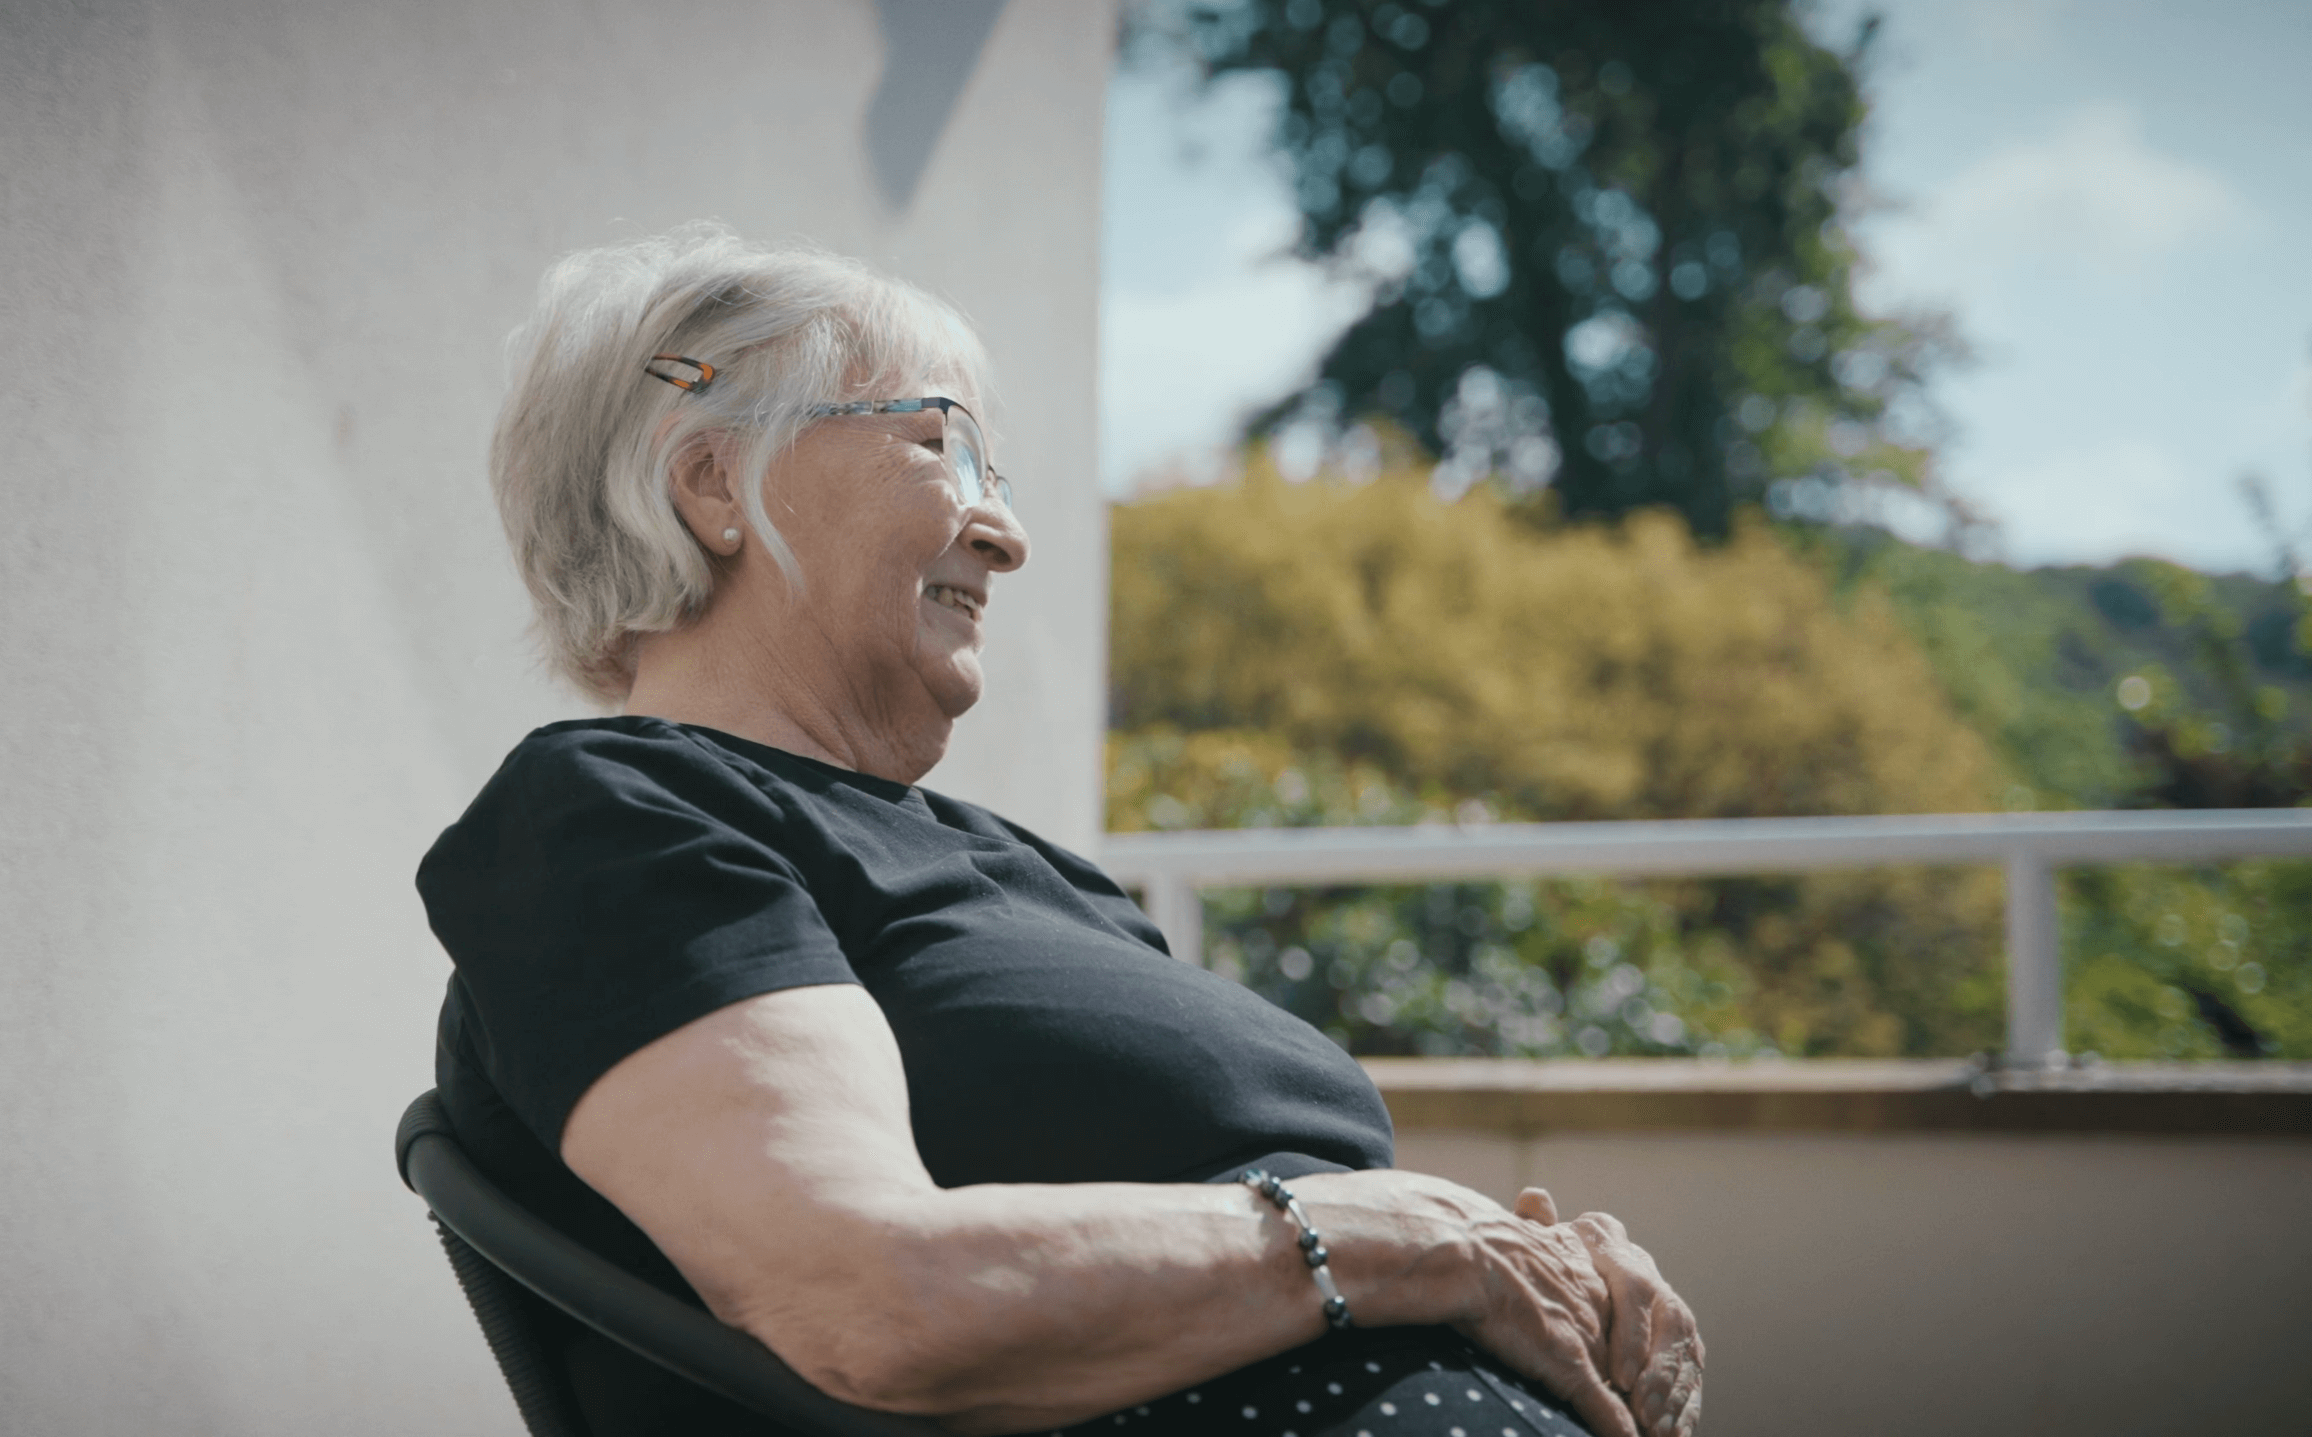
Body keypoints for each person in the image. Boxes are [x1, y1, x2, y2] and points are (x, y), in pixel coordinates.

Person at [417, 228, 1705, 1437]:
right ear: (712, 486)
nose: (1008, 532)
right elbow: (868, 1297)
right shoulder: (615, 815)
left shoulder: (1034, 875)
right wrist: (1407, 1248)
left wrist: (1542, 1279)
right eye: (942, 449)